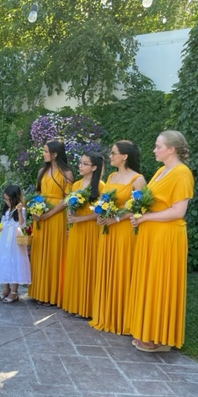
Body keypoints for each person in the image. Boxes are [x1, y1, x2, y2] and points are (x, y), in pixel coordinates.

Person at [128, 131, 194, 352]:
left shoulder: (182, 173)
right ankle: (148, 329)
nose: (154, 150)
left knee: (160, 282)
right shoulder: (160, 171)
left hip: (167, 236)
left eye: (158, 146)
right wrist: (138, 212)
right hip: (151, 234)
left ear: (171, 149)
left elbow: (178, 211)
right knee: (149, 281)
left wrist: (145, 218)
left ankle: (158, 336)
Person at [89, 141, 146, 335]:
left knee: (122, 269)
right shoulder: (111, 176)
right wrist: (100, 214)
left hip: (124, 231)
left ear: (125, 156)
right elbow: (104, 201)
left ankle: (123, 319)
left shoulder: (138, 179)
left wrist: (116, 219)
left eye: (114, 153)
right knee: (107, 268)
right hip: (107, 231)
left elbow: (139, 208)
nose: (110, 156)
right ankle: (106, 315)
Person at [28, 139, 73, 307]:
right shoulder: (42, 171)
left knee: (54, 253)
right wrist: (35, 209)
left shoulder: (66, 174)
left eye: (46, 151)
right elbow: (38, 193)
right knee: (39, 252)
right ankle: (38, 291)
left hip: (56, 216)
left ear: (55, 154)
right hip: (41, 216)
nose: (43, 154)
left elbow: (67, 200)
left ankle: (52, 295)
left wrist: (49, 214)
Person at [60, 152, 105, 318]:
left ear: (94, 167)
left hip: (91, 229)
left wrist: (80, 219)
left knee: (89, 265)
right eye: (80, 162)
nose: (80, 166)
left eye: (85, 163)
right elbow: (70, 206)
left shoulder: (101, 186)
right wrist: (70, 217)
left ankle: (87, 307)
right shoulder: (76, 184)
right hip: (76, 230)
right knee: (75, 264)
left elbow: (101, 212)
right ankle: (74, 304)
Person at [0, 185, 32, 303]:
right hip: (4, 237)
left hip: (14, 238)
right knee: (4, 260)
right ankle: (6, 289)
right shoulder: (6, 209)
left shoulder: (21, 209)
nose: (6, 202)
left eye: (8, 199)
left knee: (14, 261)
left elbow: (22, 224)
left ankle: (14, 292)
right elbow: (3, 222)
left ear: (15, 198)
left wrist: (19, 211)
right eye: (5, 199)